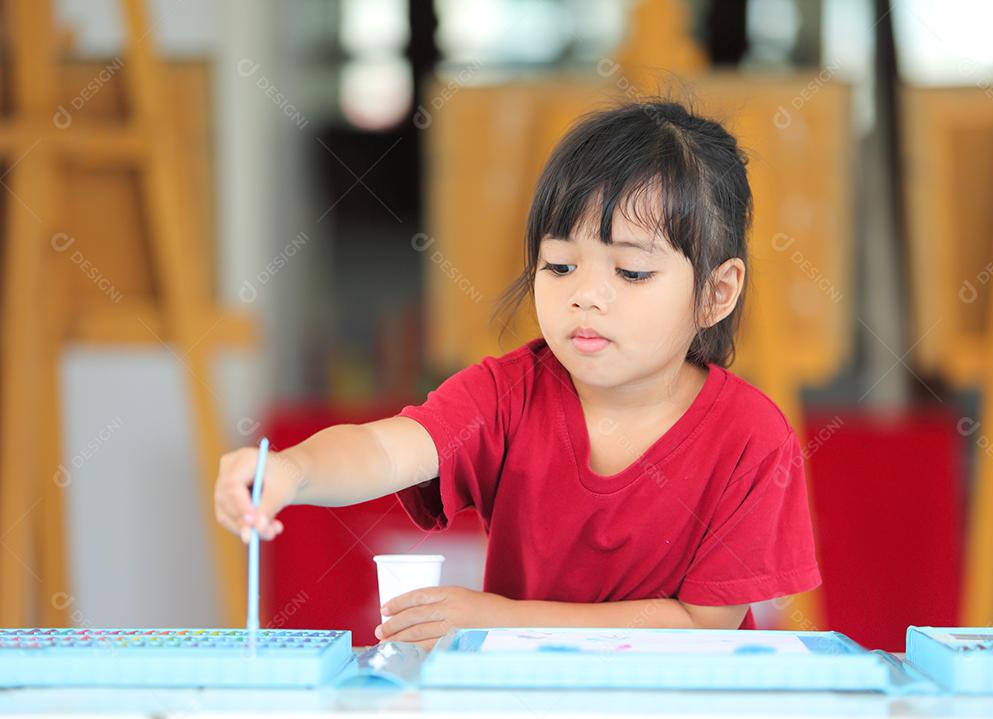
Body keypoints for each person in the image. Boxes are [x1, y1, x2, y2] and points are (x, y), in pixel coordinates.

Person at [215, 100, 821, 649]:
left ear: (717, 293)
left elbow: (701, 625)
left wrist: (498, 618)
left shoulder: (753, 438)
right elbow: (383, 446)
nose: (586, 295)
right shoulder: (507, 394)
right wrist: (292, 470)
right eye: (560, 265)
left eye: (631, 272)